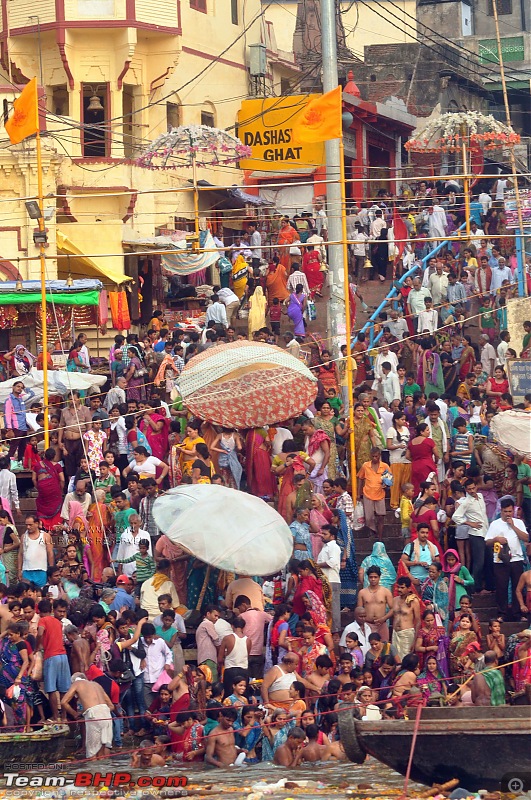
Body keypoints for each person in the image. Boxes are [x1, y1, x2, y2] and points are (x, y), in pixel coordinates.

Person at [485, 497, 528, 621]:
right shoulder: (495, 524)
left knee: (517, 586)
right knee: (501, 586)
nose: (508, 514)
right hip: (500, 560)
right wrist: (496, 539)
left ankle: (517, 613)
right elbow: (487, 542)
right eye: (505, 511)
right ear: (501, 511)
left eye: (510, 511)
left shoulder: (518, 522)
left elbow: (525, 538)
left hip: (516, 559)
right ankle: (502, 613)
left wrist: (513, 526)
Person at [61, 674, 114, 759]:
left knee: (92, 752)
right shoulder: (96, 685)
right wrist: (85, 712)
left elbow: (63, 702)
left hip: (93, 715)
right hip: (106, 714)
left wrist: (75, 714)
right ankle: (104, 770)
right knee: (103, 751)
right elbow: (111, 706)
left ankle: (92, 771)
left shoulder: (77, 683)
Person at [452, 477, 489, 594]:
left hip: (486, 532)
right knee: (479, 562)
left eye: (473, 488)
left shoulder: (481, 497)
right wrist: (469, 523)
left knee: (488, 560)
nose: (472, 491)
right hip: (475, 534)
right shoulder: (466, 502)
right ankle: (476, 588)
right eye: (469, 489)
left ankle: (488, 586)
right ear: (466, 490)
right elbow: (456, 517)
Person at [357, 565, 394, 641]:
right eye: (371, 577)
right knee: (367, 647)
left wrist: (384, 618)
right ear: (368, 578)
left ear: (379, 577)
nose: (373, 579)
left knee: (384, 648)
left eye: (375, 577)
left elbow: (393, 609)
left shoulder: (386, 591)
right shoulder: (362, 592)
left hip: (382, 624)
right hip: (367, 624)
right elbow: (359, 610)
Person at [357, 447, 386, 539]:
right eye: (373, 456)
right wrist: (358, 493)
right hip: (367, 493)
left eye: (376, 456)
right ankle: (373, 530)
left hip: (380, 493)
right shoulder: (365, 466)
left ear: (379, 456)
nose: (374, 458)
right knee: (369, 517)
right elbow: (360, 479)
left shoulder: (385, 466)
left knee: (381, 516)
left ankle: (380, 537)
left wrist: (386, 485)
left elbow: (390, 479)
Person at [392, 576, 421, 661]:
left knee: (407, 660)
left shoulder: (414, 601)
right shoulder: (395, 600)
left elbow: (418, 621)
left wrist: (414, 641)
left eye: (402, 587)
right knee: (395, 660)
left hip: (407, 634)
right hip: (395, 634)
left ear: (408, 588)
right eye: (398, 587)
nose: (399, 589)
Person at [407, 423, 439, 496]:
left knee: (417, 486)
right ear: (421, 432)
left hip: (415, 466)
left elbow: (407, 456)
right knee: (430, 485)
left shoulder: (411, 442)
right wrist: (435, 462)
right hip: (427, 465)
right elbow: (437, 455)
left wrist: (414, 460)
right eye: (427, 430)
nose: (429, 432)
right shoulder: (429, 441)